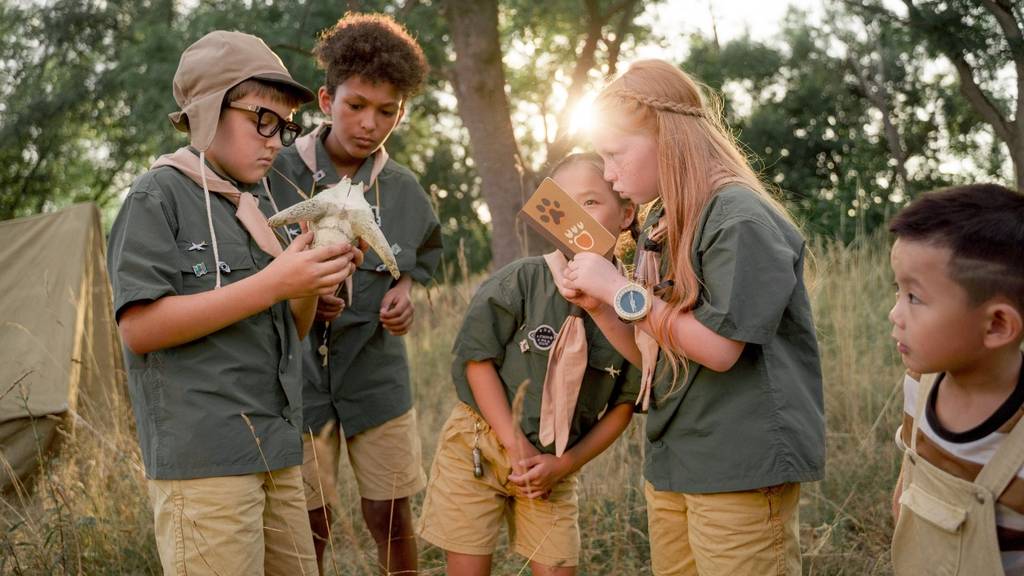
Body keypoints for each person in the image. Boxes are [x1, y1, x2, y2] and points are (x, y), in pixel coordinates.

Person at [107, 31, 362, 575]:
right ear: (207, 111)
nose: (276, 141)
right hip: (207, 465)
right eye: (262, 120)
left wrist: (310, 286)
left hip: (278, 446)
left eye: (285, 127)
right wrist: (273, 284)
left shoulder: (264, 203)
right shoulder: (158, 196)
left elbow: (287, 332)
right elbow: (140, 328)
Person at [560, 59, 825, 575]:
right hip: (678, 457)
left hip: (736, 463)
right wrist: (601, 305)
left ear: (668, 135)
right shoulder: (664, 220)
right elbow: (650, 348)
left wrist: (618, 290)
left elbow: (720, 349)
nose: (609, 175)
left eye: (615, 155)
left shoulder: (740, 217)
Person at [266, 13, 441, 574]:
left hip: (376, 370)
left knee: (390, 514)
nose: (370, 123)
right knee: (309, 520)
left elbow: (421, 257)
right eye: (355, 105)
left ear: (402, 112)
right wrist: (304, 296)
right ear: (324, 99)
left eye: (387, 111)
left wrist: (405, 290)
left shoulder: (404, 188)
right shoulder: (277, 176)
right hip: (299, 377)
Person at [417, 152, 640, 576]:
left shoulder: (633, 303)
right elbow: (477, 361)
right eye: (566, 204)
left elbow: (625, 406)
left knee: (557, 566)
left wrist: (565, 464)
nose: (577, 217)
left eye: (591, 203)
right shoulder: (520, 280)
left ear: (626, 213)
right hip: (480, 444)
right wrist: (514, 446)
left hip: (556, 461)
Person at [888, 184, 1024, 575]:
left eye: (914, 297)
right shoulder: (919, 383)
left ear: (997, 325)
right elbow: (910, 468)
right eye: (896, 290)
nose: (894, 314)